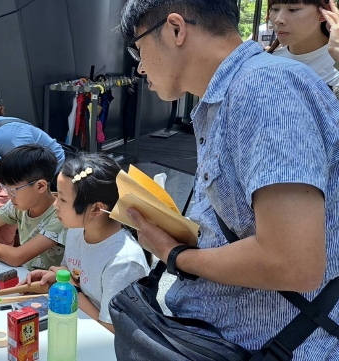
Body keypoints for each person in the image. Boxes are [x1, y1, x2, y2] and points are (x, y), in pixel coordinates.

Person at [120, 0, 339, 357]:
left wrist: (174, 254)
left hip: (273, 346)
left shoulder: (265, 88)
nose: (141, 67)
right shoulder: (229, 94)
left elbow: (293, 262)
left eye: (139, 47)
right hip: (226, 342)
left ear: (176, 29)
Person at [21, 153, 149, 333]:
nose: (55, 205)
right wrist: (57, 277)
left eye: (63, 200)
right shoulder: (76, 230)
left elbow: (112, 330)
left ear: (97, 208)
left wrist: (72, 290)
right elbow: (71, 273)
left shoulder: (124, 262)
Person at [266, 0, 339, 89]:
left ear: (323, 13)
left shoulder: (336, 59)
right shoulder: (269, 63)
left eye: (293, 10)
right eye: (275, 9)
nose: (278, 20)